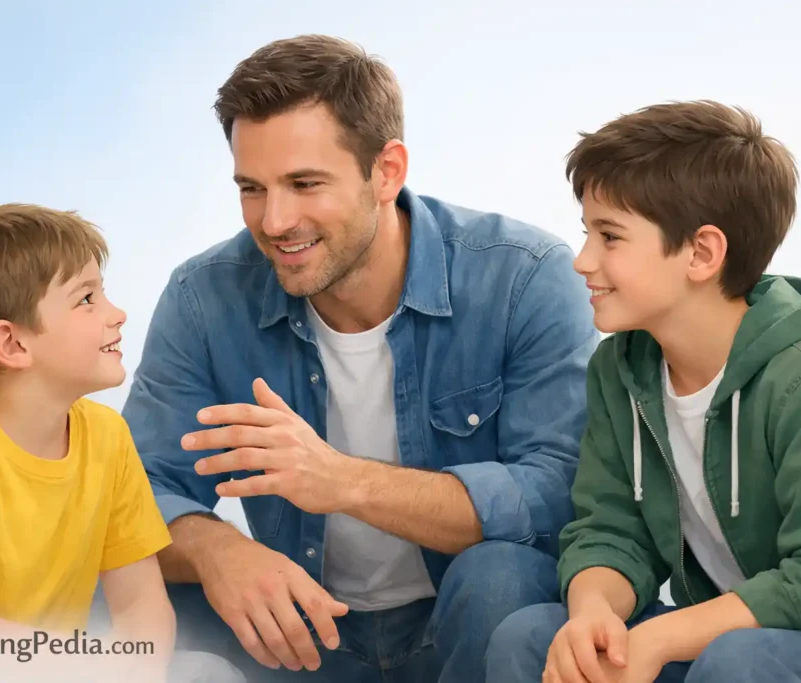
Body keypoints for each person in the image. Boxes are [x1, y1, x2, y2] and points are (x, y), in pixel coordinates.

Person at [120, 34, 599, 683]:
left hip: (464, 626)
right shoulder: (202, 298)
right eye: (252, 188)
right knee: (112, 583)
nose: (275, 219)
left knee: (501, 574)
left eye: (304, 183)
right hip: (298, 635)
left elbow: (558, 494)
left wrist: (342, 479)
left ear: (387, 171)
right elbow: (134, 490)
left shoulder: (525, 278)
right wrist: (218, 548)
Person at [485, 100, 801, 682]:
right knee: (535, 639)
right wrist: (593, 615)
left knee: (736, 661)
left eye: (610, 236)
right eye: (587, 232)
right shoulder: (622, 368)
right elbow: (610, 530)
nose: (583, 260)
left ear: (702, 253)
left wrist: (661, 636)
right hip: (719, 646)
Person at [0, 205, 243, 682]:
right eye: (87, 299)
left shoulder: (107, 438)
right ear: (12, 345)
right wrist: (90, 666)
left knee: (209, 673)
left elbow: (141, 605)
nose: (117, 314)